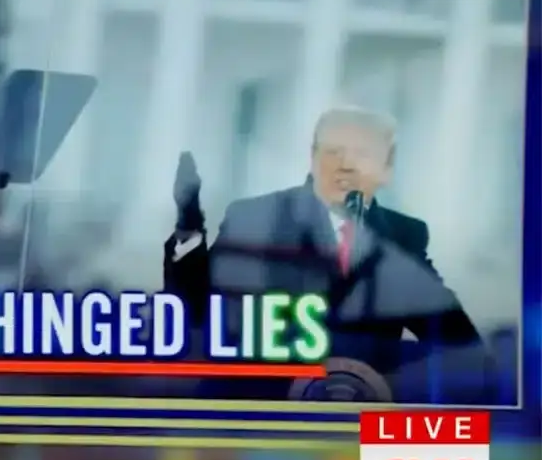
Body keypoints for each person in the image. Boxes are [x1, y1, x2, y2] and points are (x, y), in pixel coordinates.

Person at [165, 106, 494, 403]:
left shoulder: (403, 236)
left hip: (355, 422)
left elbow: (458, 345)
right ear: (313, 155)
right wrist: (188, 227)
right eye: (334, 151)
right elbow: (195, 311)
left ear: (386, 165)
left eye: (362, 154)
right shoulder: (255, 216)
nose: (346, 166)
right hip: (254, 415)